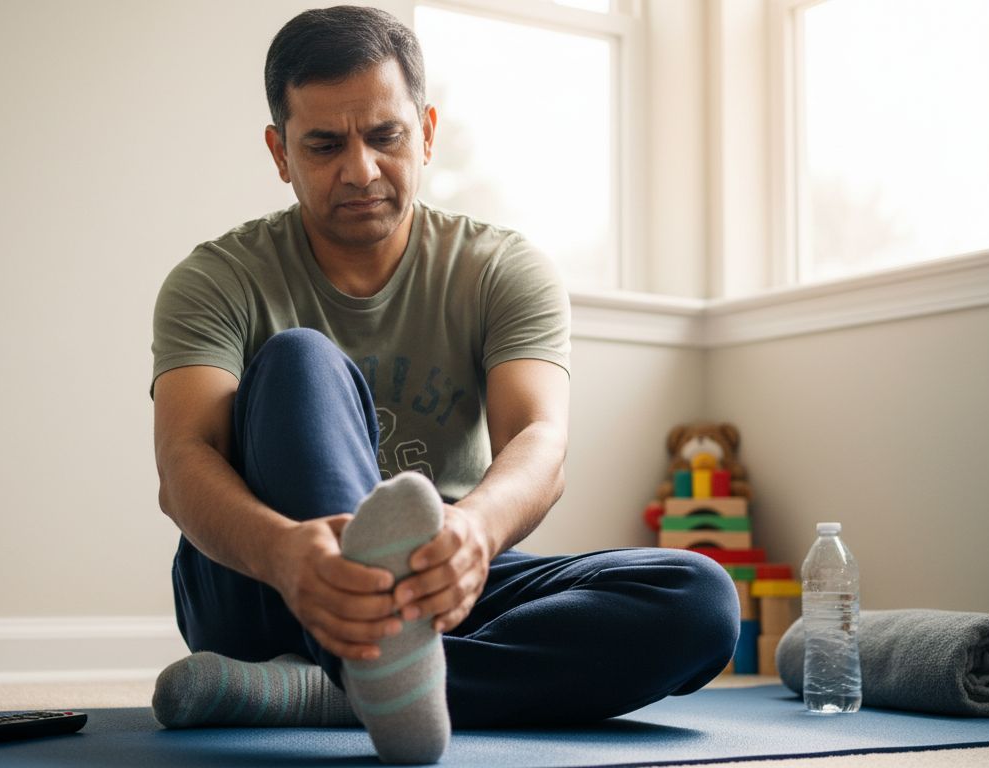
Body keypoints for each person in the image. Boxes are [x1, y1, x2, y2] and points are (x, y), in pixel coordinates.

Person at [149, 5, 739, 764]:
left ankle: (332, 688)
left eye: (385, 136)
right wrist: (285, 553)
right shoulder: (217, 279)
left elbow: (540, 441)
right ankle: (376, 662)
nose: (359, 169)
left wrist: (473, 535)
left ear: (425, 131)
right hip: (267, 582)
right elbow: (183, 464)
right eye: (325, 145)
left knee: (697, 600)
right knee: (299, 358)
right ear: (280, 151)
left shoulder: (500, 268)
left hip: (443, 581)